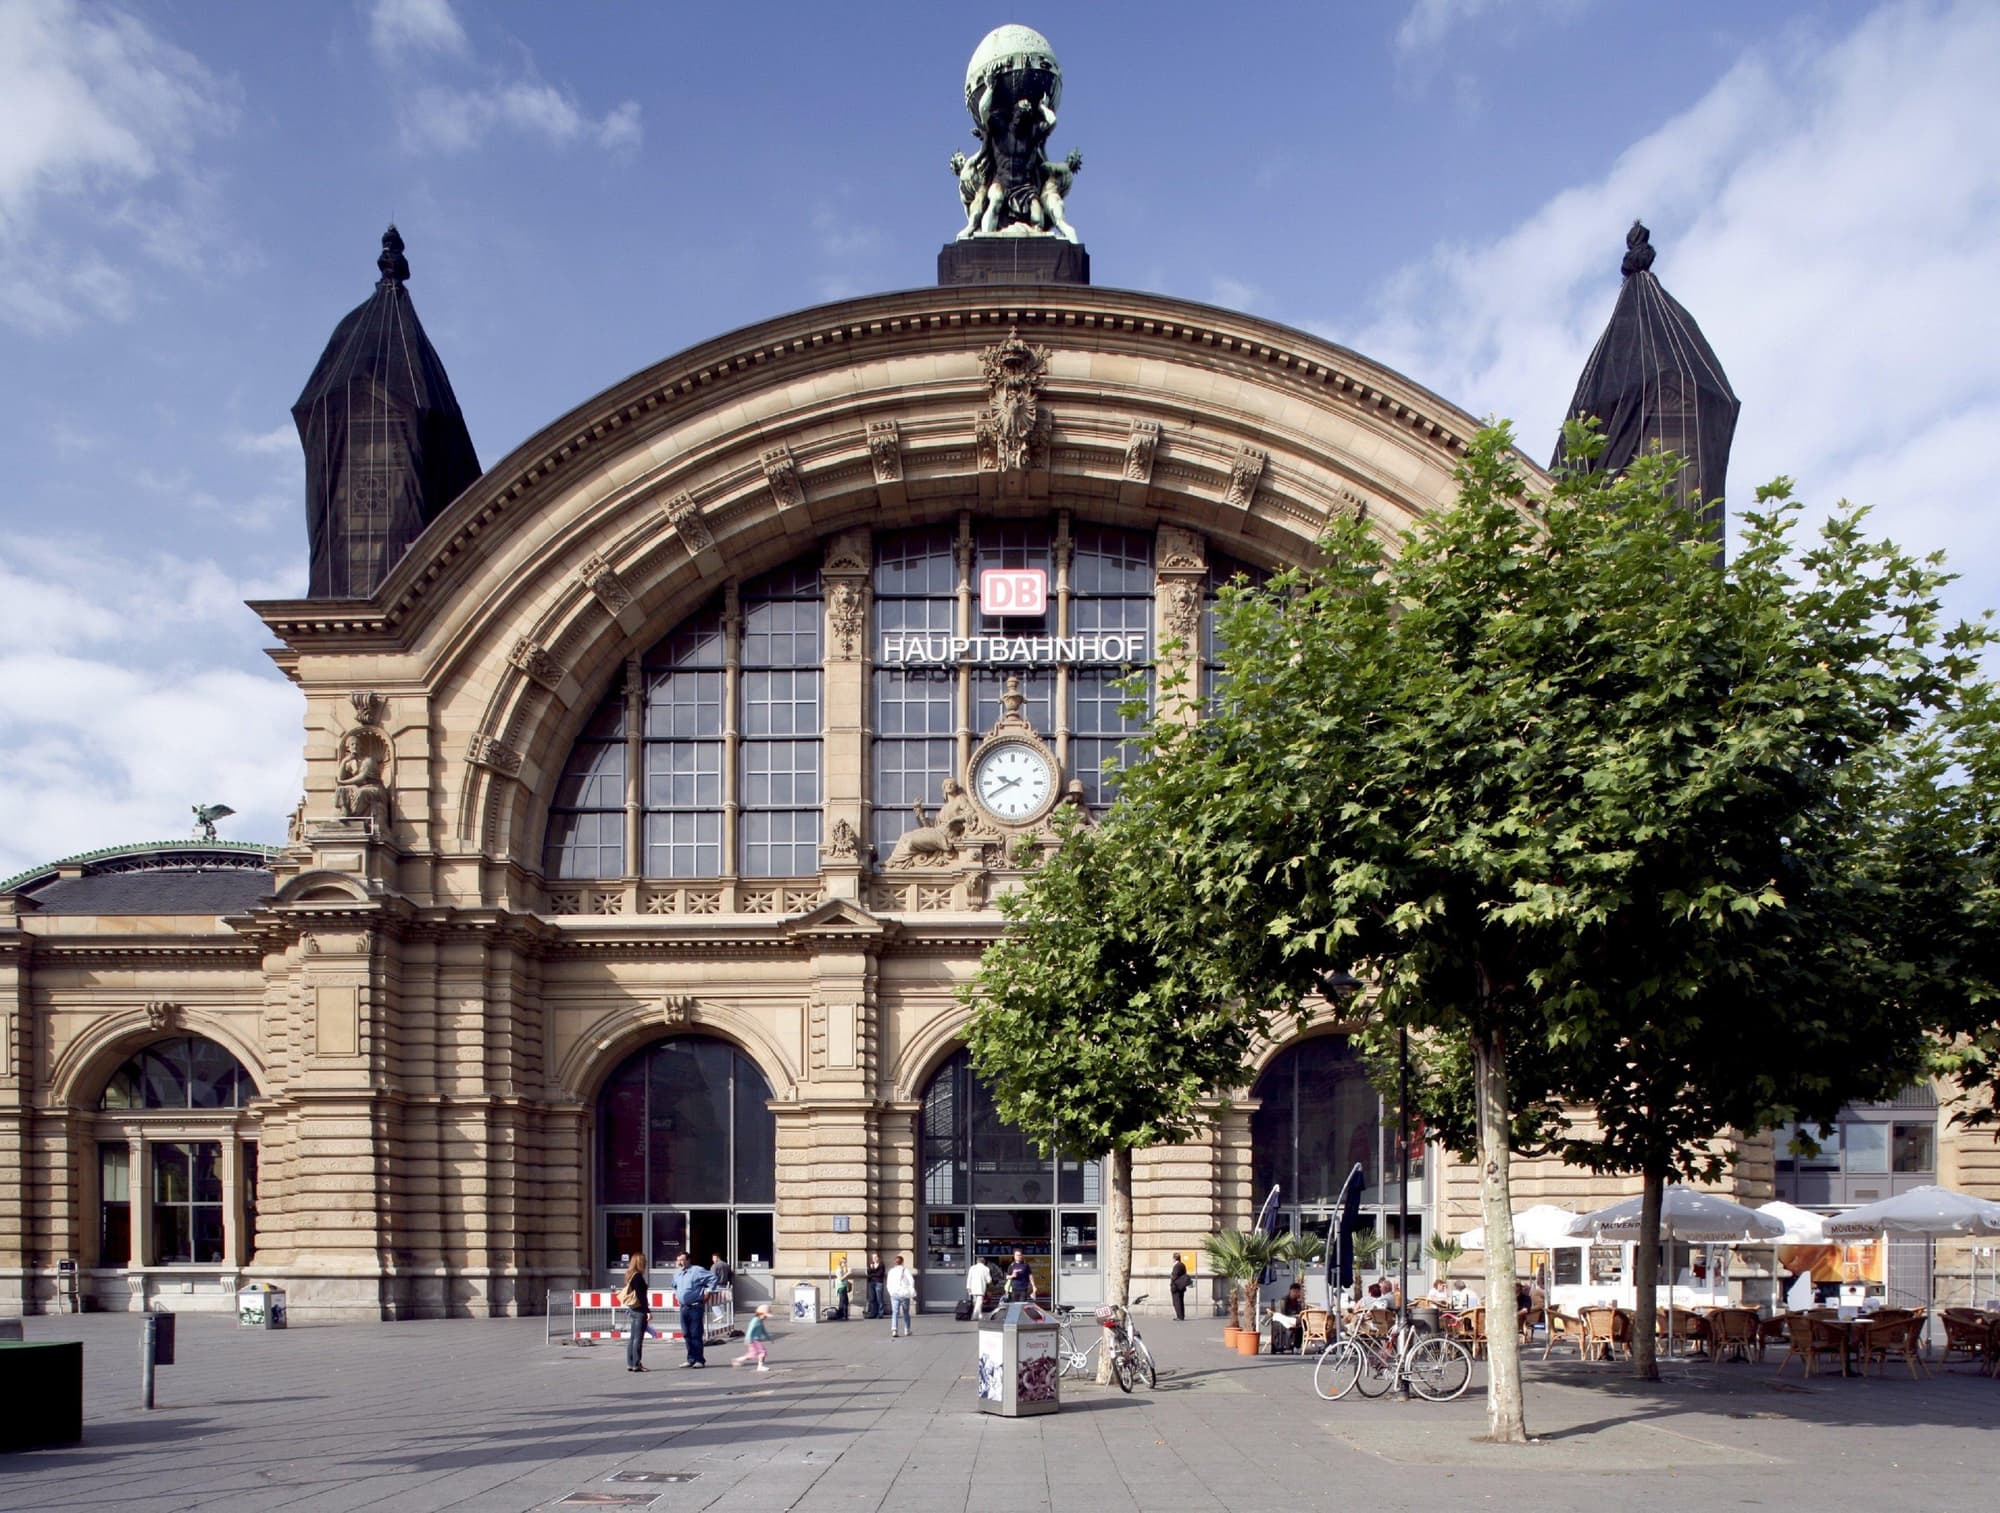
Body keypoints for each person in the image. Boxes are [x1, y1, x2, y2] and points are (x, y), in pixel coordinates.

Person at [673, 1251, 716, 1367]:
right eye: (678, 1260)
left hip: (695, 1306)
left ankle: (699, 1360)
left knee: (695, 1333)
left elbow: (713, 1278)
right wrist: (678, 1296)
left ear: (688, 1260)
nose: (680, 1262)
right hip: (683, 1308)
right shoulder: (677, 1273)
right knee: (686, 1334)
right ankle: (690, 1359)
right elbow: (674, 1285)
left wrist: (708, 1292)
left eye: (682, 1260)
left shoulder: (696, 1270)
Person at [621, 1252, 652, 1373]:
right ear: (640, 1263)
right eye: (644, 1262)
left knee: (632, 1338)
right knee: (638, 1339)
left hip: (633, 1310)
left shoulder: (630, 1275)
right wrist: (647, 1311)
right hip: (639, 1311)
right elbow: (641, 1297)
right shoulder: (638, 1277)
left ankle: (630, 1362)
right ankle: (636, 1364)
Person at [1269, 1281, 1306, 1354]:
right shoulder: (1284, 1300)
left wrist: (1301, 1303)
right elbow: (1282, 1313)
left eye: (1297, 1292)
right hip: (1286, 1319)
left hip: (1295, 1319)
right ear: (1291, 1291)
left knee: (1302, 1325)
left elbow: (1302, 1311)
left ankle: (1297, 1346)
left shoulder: (1299, 1301)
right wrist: (1293, 1315)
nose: (1296, 1293)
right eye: (1294, 1291)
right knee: (1299, 1324)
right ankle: (1294, 1346)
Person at [733, 1303, 772, 1372]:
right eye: (765, 1316)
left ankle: (738, 1360)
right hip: (753, 1340)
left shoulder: (759, 1320)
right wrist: (748, 1339)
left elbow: (763, 1330)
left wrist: (769, 1337)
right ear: (760, 1314)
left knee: (752, 1354)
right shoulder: (755, 1321)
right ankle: (760, 1366)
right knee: (762, 1352)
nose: (766, 1318)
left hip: (754, 1340)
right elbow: (750, 1330)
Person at [887, 1254, 917, 1337]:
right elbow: (911, 1281)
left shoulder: (891, 1271)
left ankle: (894, 1330)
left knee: (895, 1312)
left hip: (894, 1294)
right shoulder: (905, 1270)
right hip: (904, 1294)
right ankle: (907, 1330)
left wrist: (891, 1292)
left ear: (895, 1262)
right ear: (902, 1262)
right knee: (906, 1312)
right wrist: (910, 1290)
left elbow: (888, 1283)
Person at [965, 1254, 993, 1319]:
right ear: (984, 1262)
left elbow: (969, 1278)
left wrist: (968, 1287)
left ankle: (979, 1315)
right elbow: (989, 1280)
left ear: (977, 1261)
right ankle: (974, 1315)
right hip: (981, 1287)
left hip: (973, 1287)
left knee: (975, 1301)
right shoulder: (986, 1269)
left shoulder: (972, 1268)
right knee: (979, 1302)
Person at [1169, 1255, 1190, 1321]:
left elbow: (1174, 1276)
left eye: (1173, 1258)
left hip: (1177, 1286)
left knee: (1176, 1302)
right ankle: (1181, 1316)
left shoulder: (1177, 1266)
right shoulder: (1182, 1264)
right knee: (1180, 1301)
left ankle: (1180, 1316)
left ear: (1174, 1258)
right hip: (1181, 1286)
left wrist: (1172, 1283)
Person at [866, 1254, 887, 1320]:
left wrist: (872, 1272)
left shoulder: (881, 1265)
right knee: (872, 1299)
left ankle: (880, 1313)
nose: (874, 1258)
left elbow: (879, 1274)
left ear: (878, 1258)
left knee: (879, 1299)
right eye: (873, 1257)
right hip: (871, 1283)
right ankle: (873, 1313)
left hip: (878, 1283)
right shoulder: (870, 1265)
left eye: (876, 1257)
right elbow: (868, 1274)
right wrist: (871, 1269)